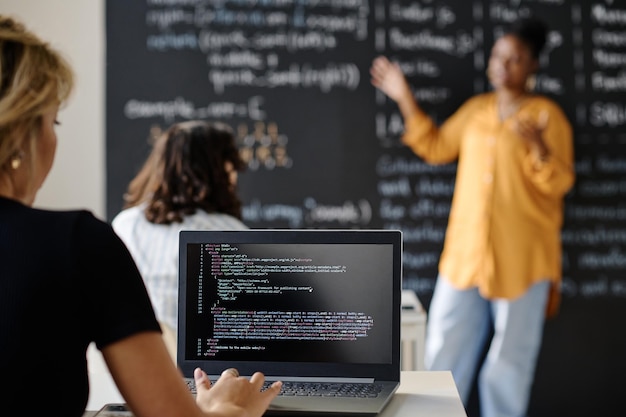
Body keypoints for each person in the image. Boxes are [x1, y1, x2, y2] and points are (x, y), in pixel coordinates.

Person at [0, 14, 280, 417]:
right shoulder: (77, 243)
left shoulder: (125, 223)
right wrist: (234, 409)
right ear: (18, 137)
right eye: (52, 121)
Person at [370, 17, 574, 417]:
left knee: (508, 364)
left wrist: (540, 148)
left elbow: (559, 182)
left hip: (523, 260)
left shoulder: (546, 115)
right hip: (466, 256)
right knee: (443, 350)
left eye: (516, 59)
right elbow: (434, 146)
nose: (504, 65)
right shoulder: (477, 111)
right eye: (499, 56)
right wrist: (403, 95)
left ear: (533, 65)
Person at [112, 120, 248, 333]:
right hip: (199, 363)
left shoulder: (125, 224)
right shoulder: (231, 232)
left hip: (130, 356)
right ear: (220, 169)